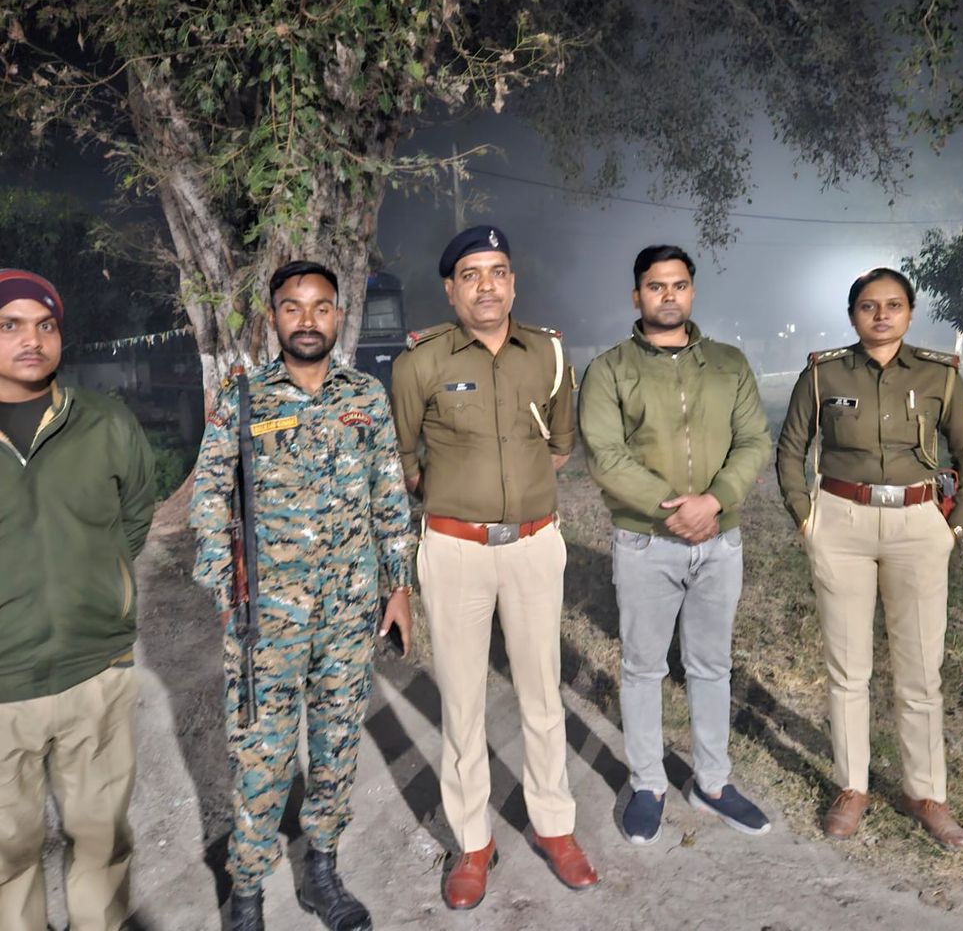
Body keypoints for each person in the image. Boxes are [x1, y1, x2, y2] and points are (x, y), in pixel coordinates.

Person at [190, 261, 415, 931]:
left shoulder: (366, 396)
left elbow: (389, 495)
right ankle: (248, 894)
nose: (308, 320)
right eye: (293, 307)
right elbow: (210, 496)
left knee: (337, 745)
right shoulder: (244, 398)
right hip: (267, 620)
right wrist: (226, 590)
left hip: (349, 612)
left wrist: (399, 587)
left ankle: (322, 871)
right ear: (273, 318)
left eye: (321, 307)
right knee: (261, 757)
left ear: (338, 315)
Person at [390, 225, 598, 910]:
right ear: (450, 290)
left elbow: (560, 447)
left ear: (514, 282)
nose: (488, 285)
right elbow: (404, 458)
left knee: (542, 695)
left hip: (535, 545)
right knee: (462, 701)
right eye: (472, 274)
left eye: (499, 271)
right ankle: (473, 842)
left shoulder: (550, 353)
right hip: (454, 551)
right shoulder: (418, 363)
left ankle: (554, 827)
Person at [776, 267, 963, 847]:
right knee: (848, 668)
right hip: (841, 522)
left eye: (894, 305)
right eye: (869, 306)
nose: (882, 315)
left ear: (910, 313)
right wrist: (806, 518)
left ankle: (926, 793)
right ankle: (852, 787)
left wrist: (953, 527)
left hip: (919, 525)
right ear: (853, 315)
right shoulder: (822, 374)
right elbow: (791, 449)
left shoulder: (940, 375)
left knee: (920, 671)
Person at [578, 245, 773, 845]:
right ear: (637, 295)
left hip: (720, 540)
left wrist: (714, 501)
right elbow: (606, 456)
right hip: (645, 543)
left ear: (692, 291)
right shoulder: (610, 369)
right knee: (642, 667)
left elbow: (753, 440)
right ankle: (648, 784)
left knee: (711, 665)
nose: (668, 295)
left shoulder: (729, 364)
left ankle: (712, 782)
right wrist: (676, 507)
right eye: (656, 286)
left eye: (679, 285)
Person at [0, 269, 156, 931]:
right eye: (9, 325)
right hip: (3, 689)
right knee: (9, 856)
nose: (31, 340)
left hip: (97, 674)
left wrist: (100, 586)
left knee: (101, 840)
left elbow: (136, 516)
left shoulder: (105, 422)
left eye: (45, 325)